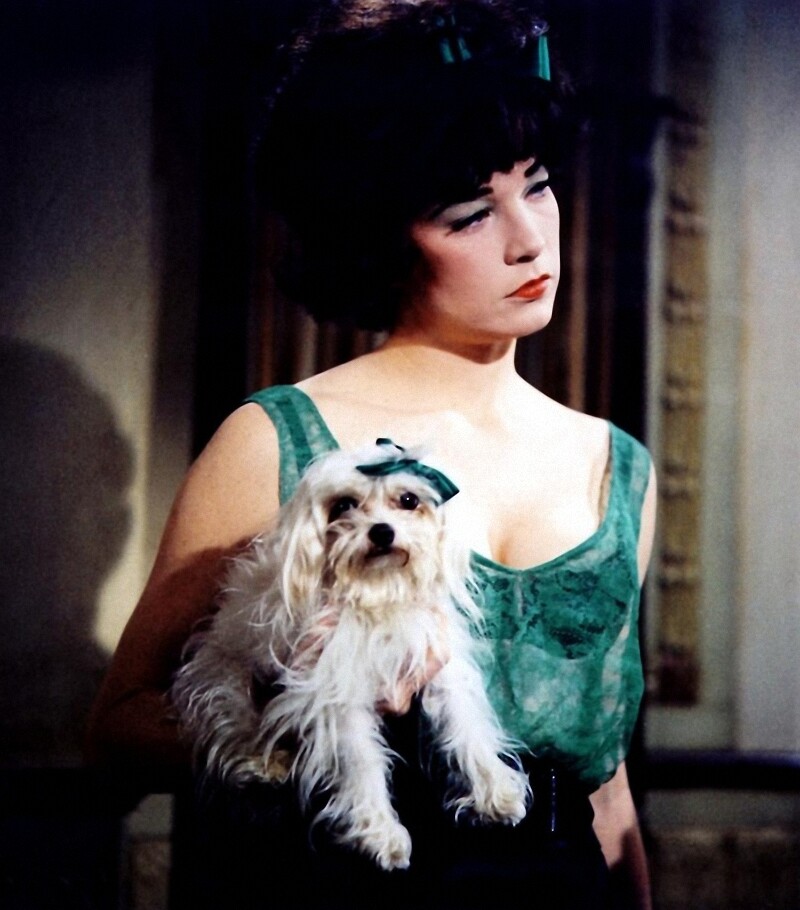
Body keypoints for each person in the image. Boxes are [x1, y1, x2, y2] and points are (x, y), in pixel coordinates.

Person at [86, 1, 656, 907]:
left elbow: (607, 784)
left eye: (539, 185)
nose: (529, 238)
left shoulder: (614, 465)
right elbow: (117, 728)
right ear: (382, 235)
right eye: (471, 214)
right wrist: (294, 713)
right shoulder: (277, 441)